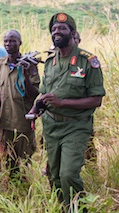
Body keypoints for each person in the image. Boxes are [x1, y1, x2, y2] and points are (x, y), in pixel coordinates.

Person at [29, 13, 105, 209]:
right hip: (51, 126)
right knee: (54, 176)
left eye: (62, 28)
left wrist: (62, 102)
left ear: (72, 33)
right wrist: (37, 108)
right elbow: (45, 93)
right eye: (54, 29)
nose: (56, 32)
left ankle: (79, 209)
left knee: (68, 174)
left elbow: (96, 99)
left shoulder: (88, 61)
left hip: (76, 126)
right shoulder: (49, 62)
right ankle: (64, 208)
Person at [0, 30, 40, 176]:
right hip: (5, 121)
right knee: (7, 159)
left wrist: (26, 75)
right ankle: (10, 188)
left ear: (20, 43)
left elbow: (34, 94)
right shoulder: (0, 65)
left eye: (13, 41)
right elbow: (0, 92)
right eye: (6, 41)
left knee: (24, 159)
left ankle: (24, 189)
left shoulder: (29, 65)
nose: (8, 44)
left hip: (22, 121)